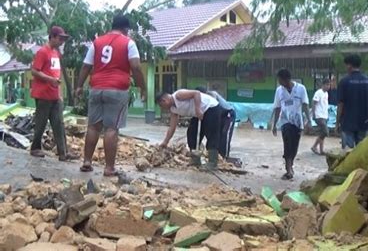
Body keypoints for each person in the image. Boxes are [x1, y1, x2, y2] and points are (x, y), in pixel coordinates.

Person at [75, 15, 145, 176]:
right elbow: (136, 66)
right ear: (126, 29)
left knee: (93, 126)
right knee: (111, 128)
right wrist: (142, 87)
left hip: (96, 88)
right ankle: (109, 167)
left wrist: (79, 86)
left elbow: (86, 66)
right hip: (117, 89)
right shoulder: (129, 43)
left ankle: (87, 161)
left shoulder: (97, 42)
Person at [30, 26, 79, 161]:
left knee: (59, 123)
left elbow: (57, 74)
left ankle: (63, 152)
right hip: (43, 94)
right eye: (60, 38)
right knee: (41, 122)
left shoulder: (55, 53)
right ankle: (35, 148)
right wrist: (50, 79)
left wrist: (60, 92)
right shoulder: (43, 52)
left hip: (54, 95)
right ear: (52, 37)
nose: (62, 42)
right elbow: (35, 71)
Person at [156, 89, 224, 170]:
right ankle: (196, 160)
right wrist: (165, 142)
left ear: (164, 100)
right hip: (197, 114)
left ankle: (212, 163)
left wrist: (198, 109)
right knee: (192, 134)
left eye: (161, 106)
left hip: (211, 108)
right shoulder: (173, 109)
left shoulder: (178, 95)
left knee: (211, 134)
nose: (163, 108)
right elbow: (172, 127)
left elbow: (196, 93)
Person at [272, 68, 311, 180]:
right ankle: (288, 170)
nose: (279, 83)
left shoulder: (301, 89)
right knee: (287, 144)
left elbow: (305, 105)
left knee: (294, 146)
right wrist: (274, 124)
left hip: (298, 122)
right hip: (285, 122)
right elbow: (277, 107)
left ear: (286, 79)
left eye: (280, 80)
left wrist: (309, 120)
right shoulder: (279, 91)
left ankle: (290, 165)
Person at [336, 54, 368, 149]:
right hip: (364, 123)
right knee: (361, 152)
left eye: (346, 65)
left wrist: (337, 122)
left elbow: (341, 104)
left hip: (347, 124)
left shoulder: (344, 81)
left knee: (347, 154)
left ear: (349, 65)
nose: (346, 68)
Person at [196, 87, 236, 160]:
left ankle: (225, 157)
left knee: (225, 134)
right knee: (214, 134)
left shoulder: (211, 95)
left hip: (228, 114)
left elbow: (213, 108)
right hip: (218, 116)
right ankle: (213, 154)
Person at [311, 79, 330, 155]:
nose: (328, 86)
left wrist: (327, 115)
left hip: (324, 116)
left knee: (323, 133)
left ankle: (321, 150)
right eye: (327, 85)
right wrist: (313, 114)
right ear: (323, 85)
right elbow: (313, 103)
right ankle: (314, 146)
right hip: (319, 116)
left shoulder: (326, 94)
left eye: (329, 85)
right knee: (325, 132)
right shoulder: (319, 93)